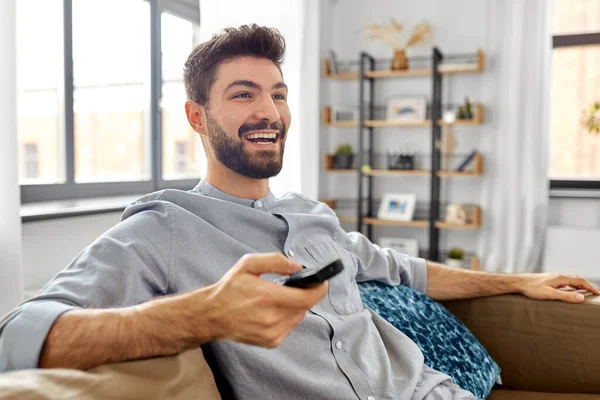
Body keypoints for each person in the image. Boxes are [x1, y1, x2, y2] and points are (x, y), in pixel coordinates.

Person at [0, 24, 598, 400]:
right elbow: (16, 337)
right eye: (242, 94)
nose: (270, 112)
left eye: (278, 94)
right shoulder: (163, 229)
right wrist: (201, 316)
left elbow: (406, 272)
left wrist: (522, 280)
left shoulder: (313, 214)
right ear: (195, 116)